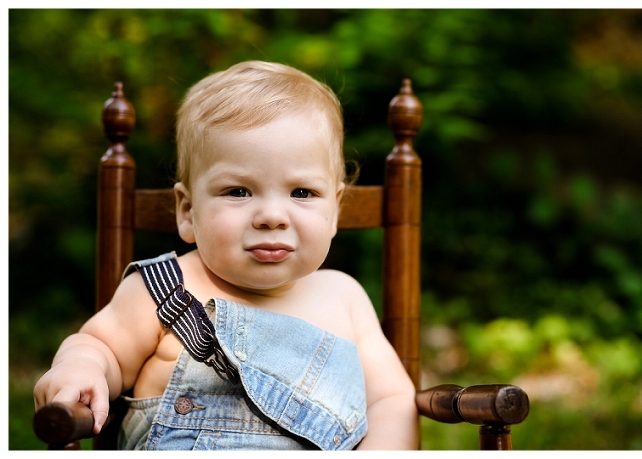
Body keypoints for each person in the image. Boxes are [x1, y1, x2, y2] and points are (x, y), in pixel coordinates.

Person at [33, 61, 419, 450]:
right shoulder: (165, 288)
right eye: (238, 191)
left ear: (334, 209)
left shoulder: (344, 297)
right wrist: (81, 367)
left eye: (302, 192)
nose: (271, 216)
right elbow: (100, 347)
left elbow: (391, 400)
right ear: (187, 211)